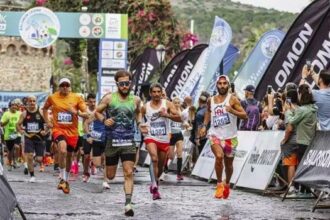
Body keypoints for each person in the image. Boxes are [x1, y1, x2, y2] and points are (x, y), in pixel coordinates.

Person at [95, 70, 141, 217]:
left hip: (128, 141)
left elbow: (139, 111)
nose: (125, 86)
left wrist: (139, 123)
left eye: (127, 83)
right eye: (122, 84)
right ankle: (108, 172)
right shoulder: (109, 98)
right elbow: (97, 111)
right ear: (117, 84)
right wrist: (103, 120)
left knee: (128, 172)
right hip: (112, 141)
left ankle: (128, 204)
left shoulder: (136, 99)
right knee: (110, 176)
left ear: (130, 83)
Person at [200, 75, 247, 199]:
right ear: (217, 85)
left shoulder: (233, 100)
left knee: (229, 165)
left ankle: (227, 184)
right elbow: (208, 112)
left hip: (230, 138)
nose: (222, 86)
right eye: (220, 83)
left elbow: (244, 115)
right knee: (219, 157)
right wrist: (204, 126)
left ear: (228, 85)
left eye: (224, 83)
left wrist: (232, 111)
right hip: (215, 135)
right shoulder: (211, 100)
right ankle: (219, 184)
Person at [42, 77, 88, 194]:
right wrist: (47, 122)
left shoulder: (77, 97)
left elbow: (86, 114)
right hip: (59, 129)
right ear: (59, 87)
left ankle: (66, 180)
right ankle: (62, 178)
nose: (65, 87)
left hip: (72, 132)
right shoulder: (52, 97)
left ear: (70, 86)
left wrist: (76, 112)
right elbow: (45, 109)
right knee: (62, 150)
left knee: (69, 155)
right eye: (62, 85)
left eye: (67, 85)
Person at [140, 83, 181, 200]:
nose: (157, 94)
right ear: (150, 93)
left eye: (159, 92)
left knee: (161, 166)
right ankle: (153, 184)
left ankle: (155, 182)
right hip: (150, 136)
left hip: (164, 138)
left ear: (161, 92)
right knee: (154, 158)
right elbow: (138, 115)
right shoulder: (145, 106)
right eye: (154, 92)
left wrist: (166, 115)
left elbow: (179, 118)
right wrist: (140, 125)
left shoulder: (167, 104)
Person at [16, 95, 47, 182]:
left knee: (39, 159)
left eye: (34, 101)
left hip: (39, 137)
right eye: (30, 101)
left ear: (36, 102)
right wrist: (20, 131)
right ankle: (32, 175)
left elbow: (48, 123)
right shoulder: (24, 113)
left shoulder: (40, 112)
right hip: (28, 137)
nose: (32, 103)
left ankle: (33, 162)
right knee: (29, 156)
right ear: (27, 102)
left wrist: (46, 131)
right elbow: (17, 124)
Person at [301, 66, 330, 130]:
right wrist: (312, 73)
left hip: (324, 134)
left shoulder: (315, 94)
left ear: (321, 79)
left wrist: (303, 77)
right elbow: (323, 86)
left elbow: (300, 94)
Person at [0, 99, 21, 171]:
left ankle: (17, 160)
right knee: (10, 151)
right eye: (12, 105)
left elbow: (23, 122)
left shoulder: (19, 113)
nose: (14, 106)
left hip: (17, 133)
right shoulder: (6, 114)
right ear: (10, 106)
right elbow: (1, 124)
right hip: (8, 134)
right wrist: (6, 121)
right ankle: (10, 163)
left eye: (15, 105)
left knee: (17, 146)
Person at [168, 97, 185, 180]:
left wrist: (185, 124)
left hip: (179, 134)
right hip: (171, 135)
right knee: (170, 156)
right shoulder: (170, 111)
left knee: (179, 154)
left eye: (178, 102)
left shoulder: (181, 112)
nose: (177, 104)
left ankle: (179, 174)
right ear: (172, 103)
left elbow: (183, 122)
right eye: (175, 102)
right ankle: (164, 168)